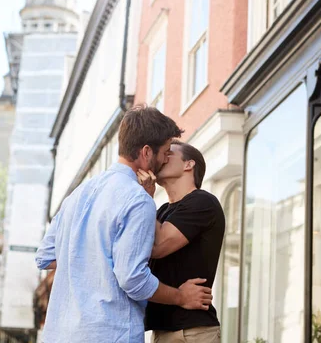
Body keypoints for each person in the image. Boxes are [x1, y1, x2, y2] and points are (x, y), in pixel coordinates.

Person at [35, 106, 213, 343]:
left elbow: (45, 255)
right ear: (147, 152)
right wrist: (180, 296)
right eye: (165, 151)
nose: (165, 158)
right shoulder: (138, 199)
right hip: (110, 333)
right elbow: (133, 279)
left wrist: (92, 261)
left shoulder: (78, 195)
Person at [137, 141, 226, 343]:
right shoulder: (161, 212)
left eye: (169, 153)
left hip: (192, 332)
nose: (162, 157)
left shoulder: (203, 202)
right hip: (162, 331)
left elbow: (157, 246)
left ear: (189, 165)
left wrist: (143, 197)